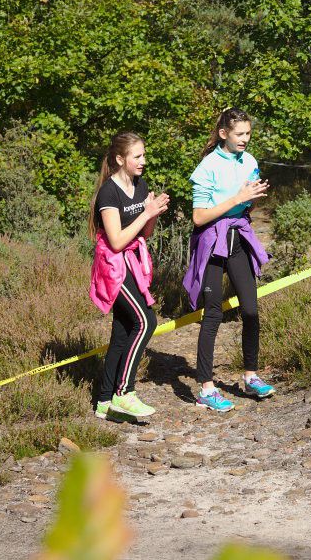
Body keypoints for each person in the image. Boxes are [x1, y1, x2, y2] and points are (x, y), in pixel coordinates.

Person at [182, 108, 274, 412]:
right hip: (211, 242)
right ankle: (206, 390)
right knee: (213, 314)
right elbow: (198, 217)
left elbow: (246, 205)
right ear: (224, 134)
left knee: (251, 310)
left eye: (248, 133)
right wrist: (237, 198)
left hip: (238, 239)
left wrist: (252, 198)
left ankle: (250, 376)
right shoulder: (208, 166)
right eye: (239, 134)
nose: (245, 139)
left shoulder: (250, 162)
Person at [89, 132, 169, 419]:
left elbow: (144, 233)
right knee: (146, 321)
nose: (143, 161)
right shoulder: (108, 193)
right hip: (112, 266)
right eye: (137, 156)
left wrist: (153, 213)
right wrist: (145, 213)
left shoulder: (139, 184)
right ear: (120, 159)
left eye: (144, 155)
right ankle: (124, 392)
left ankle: (104, 402)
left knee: (122, 331)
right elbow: (116, 241)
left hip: (133, 261)